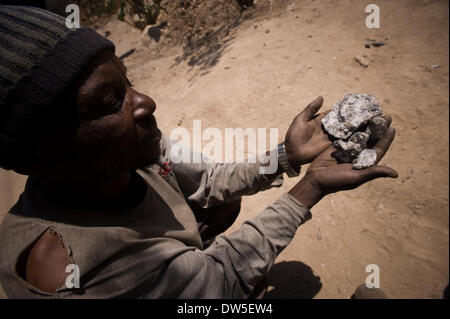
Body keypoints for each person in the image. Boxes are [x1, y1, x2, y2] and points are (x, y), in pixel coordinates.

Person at [0, 6, 398, 298]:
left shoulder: (125, 154)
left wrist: (285, 156)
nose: (146, 102)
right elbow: (220, 279)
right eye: (108, 102)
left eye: (127, 80)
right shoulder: (74, 267)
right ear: (41, 153)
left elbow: (209, 180)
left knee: (223, 203)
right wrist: (308, 189)